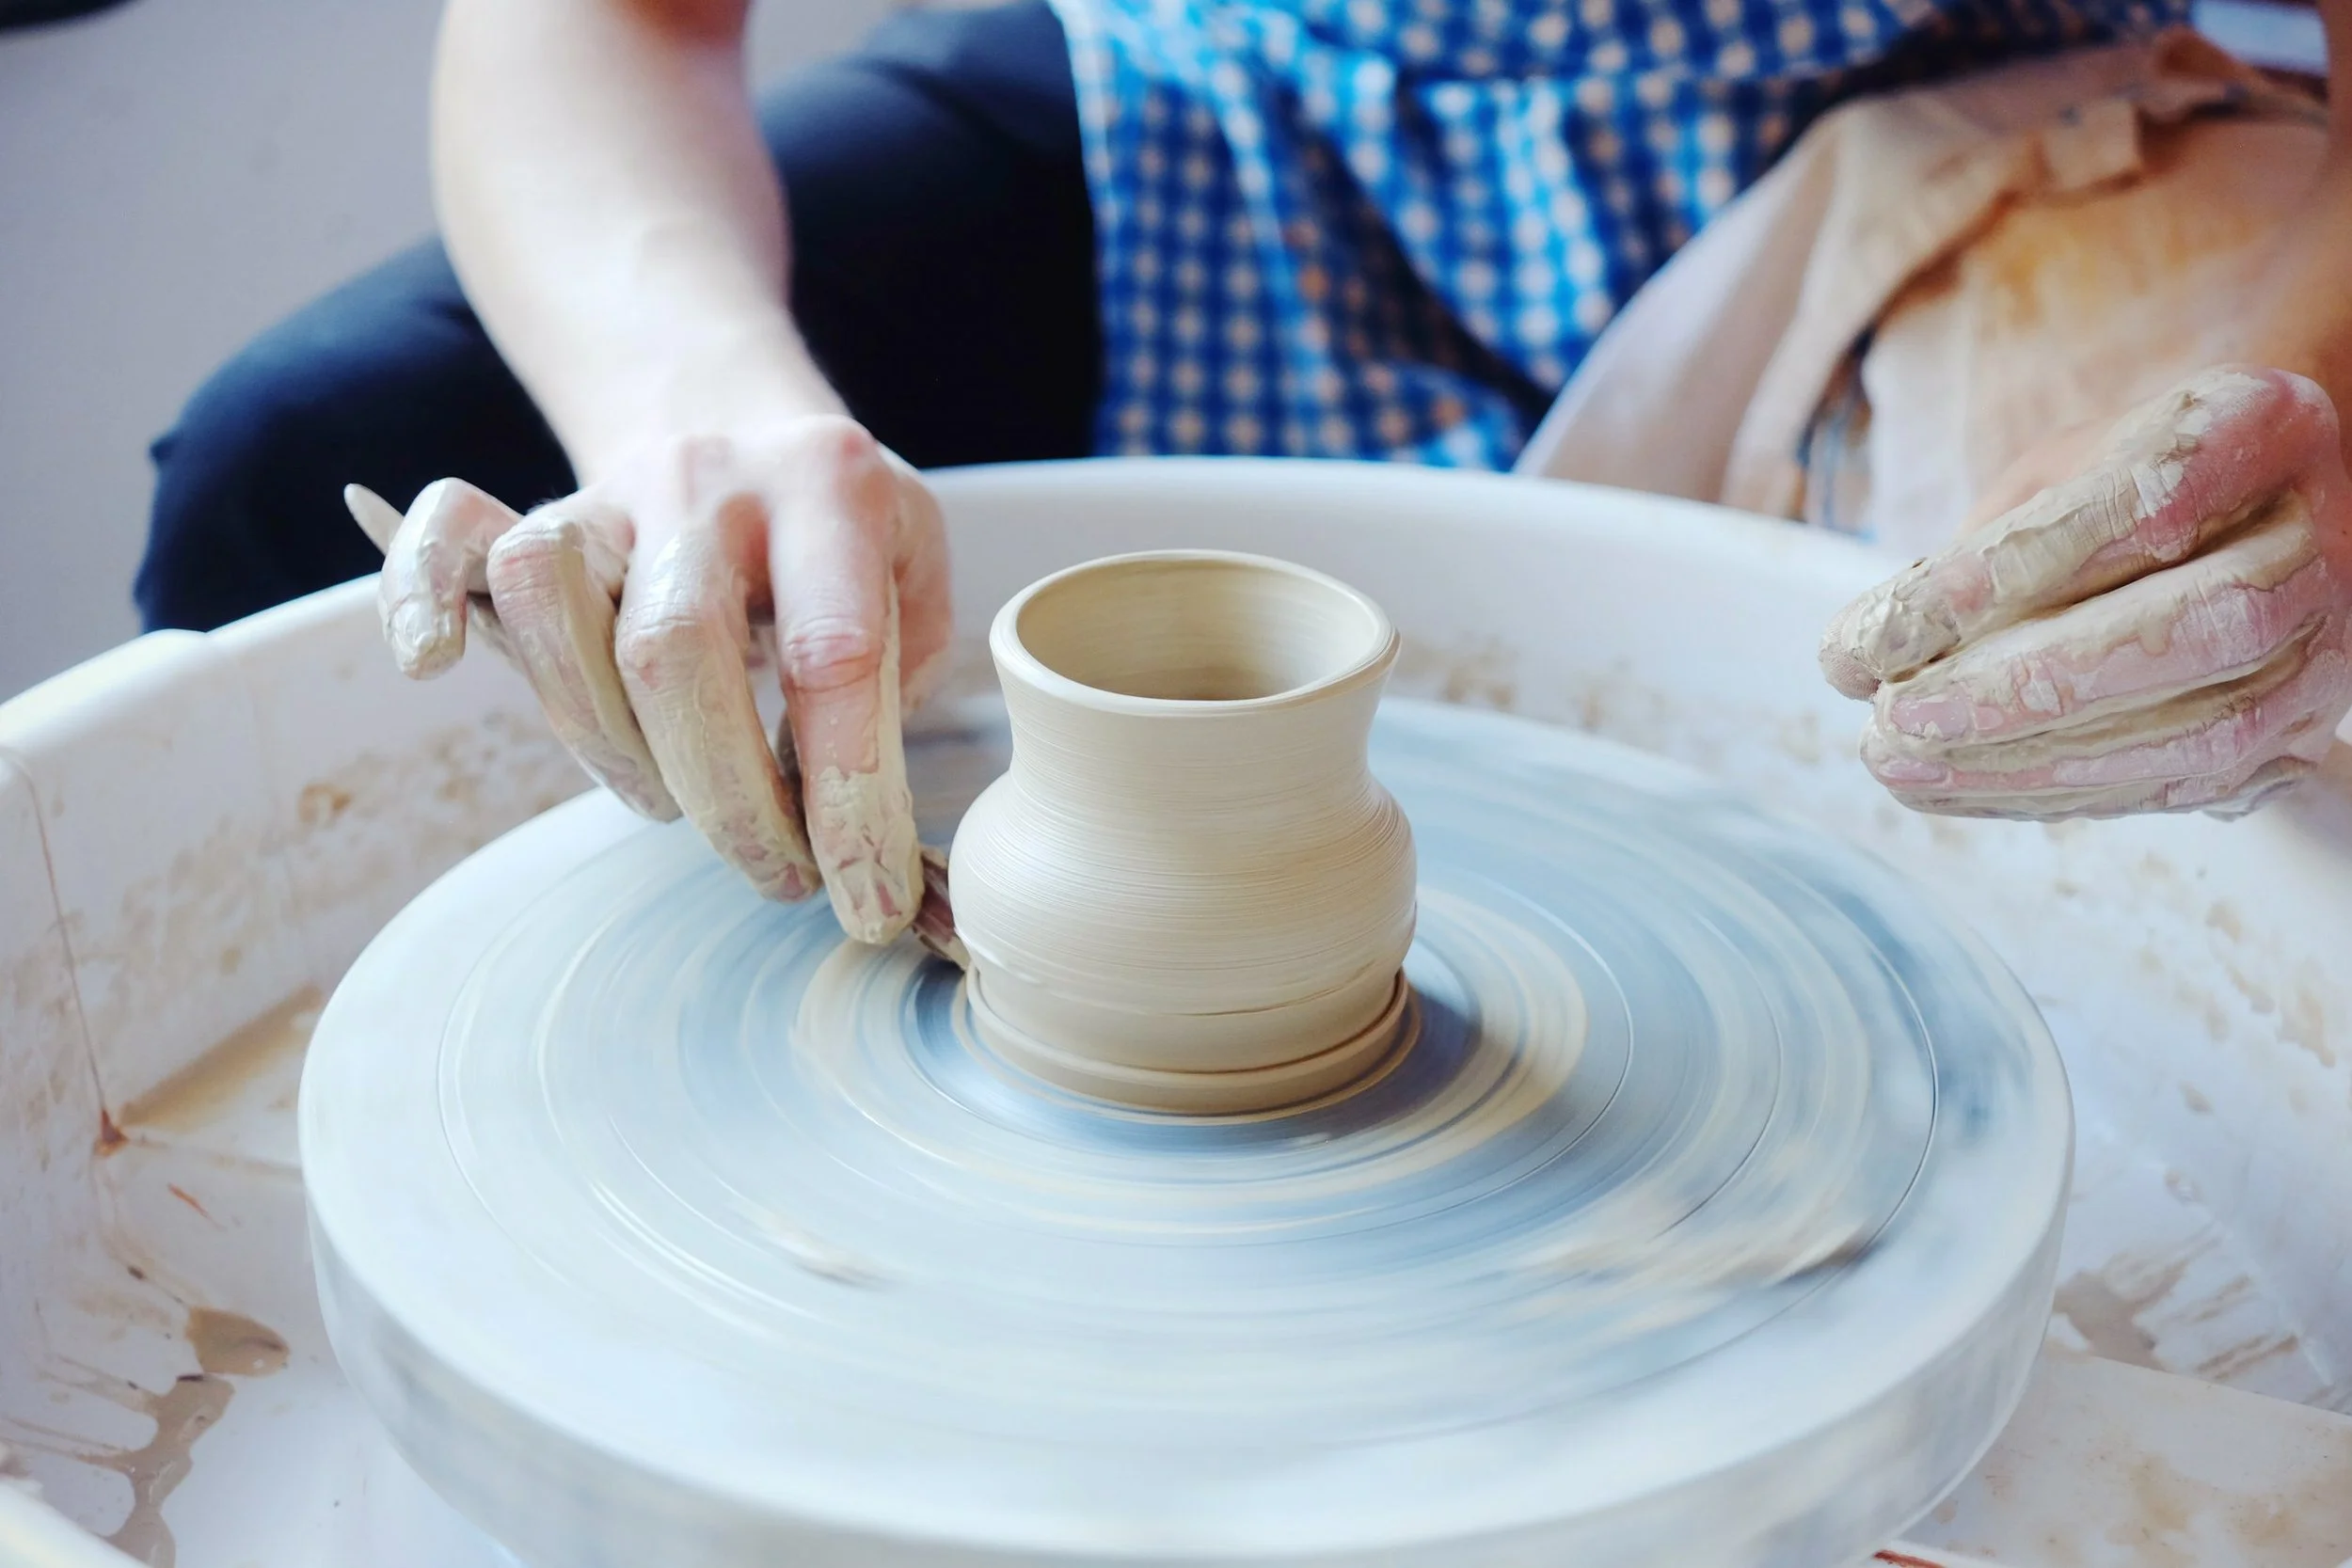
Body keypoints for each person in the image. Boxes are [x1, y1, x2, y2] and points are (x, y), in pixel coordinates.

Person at [137, 0, 2352, 946]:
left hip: (1903, 130)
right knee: (311, 466)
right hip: (1232, 95)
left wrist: (2309, 399)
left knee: (2161, 703)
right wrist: (697, 407)